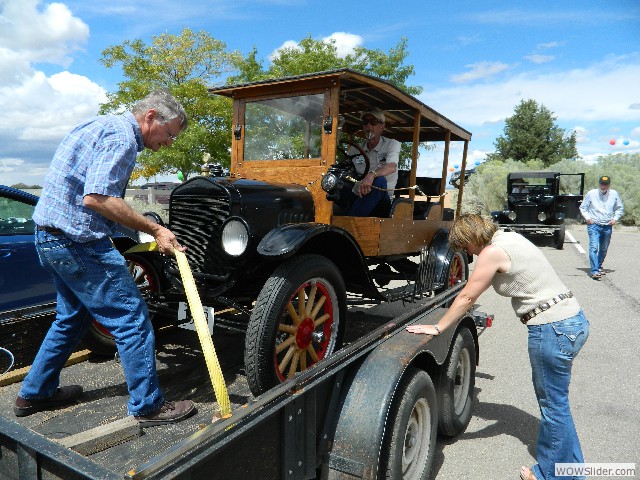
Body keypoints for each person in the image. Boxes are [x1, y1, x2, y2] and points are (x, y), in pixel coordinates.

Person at [16, 89, 196, 427]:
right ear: (151, 117)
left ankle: (34, 392)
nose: (169, 142)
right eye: (170, 133)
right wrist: (156, 231)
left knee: (71, 318)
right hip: (78, 243)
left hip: (49, 238)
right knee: (132, 318)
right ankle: (147, 406)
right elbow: (98, 199)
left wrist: (143, 231)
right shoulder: (122, 139)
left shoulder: (98, 126)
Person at [407, 214, 589, 480]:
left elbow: (468, 295)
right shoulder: (508, 237)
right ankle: (572, 471)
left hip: (552, 328)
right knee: (557, 404)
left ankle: (552, 476)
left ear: (471, 238)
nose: (466, 252)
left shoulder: (492, 252)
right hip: (571, 320)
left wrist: (438, 327)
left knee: (553, 408)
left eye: (464, 246)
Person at [338, 107, 399, 216]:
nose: (368, 125)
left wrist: (371, 175)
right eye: (365, 122)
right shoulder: (355, 148)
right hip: (358, 195)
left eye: (373, 122)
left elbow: (391, 167)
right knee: (333, 184)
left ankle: (349, 223)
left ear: (382, 127)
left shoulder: (392, 144)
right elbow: (348, 170)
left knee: (380, 180)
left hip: (382, 201)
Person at [579, 175, 624, 279]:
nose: (603, 186)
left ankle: (598, 266)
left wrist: (615, 219)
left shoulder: (614, 194)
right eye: (602, 184)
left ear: (609, 185)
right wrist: (587, 218)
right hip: (594, 224)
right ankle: (594, 270)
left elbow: (619, 208)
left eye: (606, 184)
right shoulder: (591, 193)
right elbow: (583, 207)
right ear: (599, 184)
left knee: (603, 248)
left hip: (607, 225)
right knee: (594, 247)